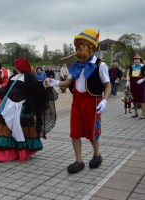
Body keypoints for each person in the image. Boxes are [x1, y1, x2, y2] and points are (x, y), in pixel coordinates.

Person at [46, 28, 111, 174]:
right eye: (76, 48)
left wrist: (105, 101)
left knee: (92, 130)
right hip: (77, 102)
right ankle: (79, 160)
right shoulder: (75, 66)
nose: (78, 51)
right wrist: (53, 82)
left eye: (81, 48)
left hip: (92, 102)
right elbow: (67, 83)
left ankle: (96, 155)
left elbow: (107, 85)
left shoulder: (101, 65)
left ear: (91, 48)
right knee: (74, 132)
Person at [0, 58, 57, 162]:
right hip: (9, 106)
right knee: (7, 128)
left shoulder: (29, 77)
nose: (15, 67)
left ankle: (20, 151)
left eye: (17, 65)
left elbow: (36, 88)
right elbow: (7, 89)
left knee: (21, 129)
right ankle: (9, 152)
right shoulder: (13, 76)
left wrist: (44, 84)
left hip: (23, 107)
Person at [125, 54, 145, 119]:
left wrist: (142, 79)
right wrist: (128, 81)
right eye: (135, 60)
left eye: (137, 59)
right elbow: (128, 75)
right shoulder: (131, 67)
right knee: (134, 99)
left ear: (140, 60)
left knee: (142, 99)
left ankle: (143, 113)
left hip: (141, 84)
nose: (136, 61)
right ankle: (135, 113)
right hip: (133, 85)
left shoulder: (143, 67)